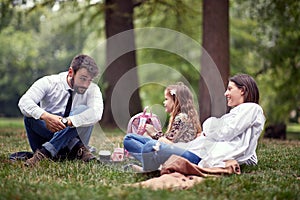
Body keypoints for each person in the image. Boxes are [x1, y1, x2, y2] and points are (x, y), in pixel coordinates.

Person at [124, 74, 266, 172]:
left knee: (150, 146)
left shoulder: (252, 108)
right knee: (129, 139)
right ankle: (154, 164)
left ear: (242, 90)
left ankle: (152, 168)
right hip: (192, 149)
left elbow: (226, 132)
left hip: (198, 157)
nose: (225, 93)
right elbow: (246, 146)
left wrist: (208, 127)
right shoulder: (238, 112)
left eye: (230, 89)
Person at [18, 54, 104, 167]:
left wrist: (68, 121)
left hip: (46, 148)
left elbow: (96, 113)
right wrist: (46, 116)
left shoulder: (93, 89)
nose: (86, 85)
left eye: (90, 80)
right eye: (83, 79)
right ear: (71, 72)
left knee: (83, 110)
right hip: (48, 138)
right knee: (30, 117)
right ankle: (76, 147)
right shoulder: (48, 82)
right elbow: (24, 102)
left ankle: (44, 153)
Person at [124, 82, 202, 164]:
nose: (164, 103)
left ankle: (153, 162)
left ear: (176, 101)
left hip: (184, 155)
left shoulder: (181, 117)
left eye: (166, 99)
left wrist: (154, 133)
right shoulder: (185, 116)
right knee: (131, 138)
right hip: (180, 153)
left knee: (139, 142)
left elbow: (170, 144)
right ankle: (152, 160)